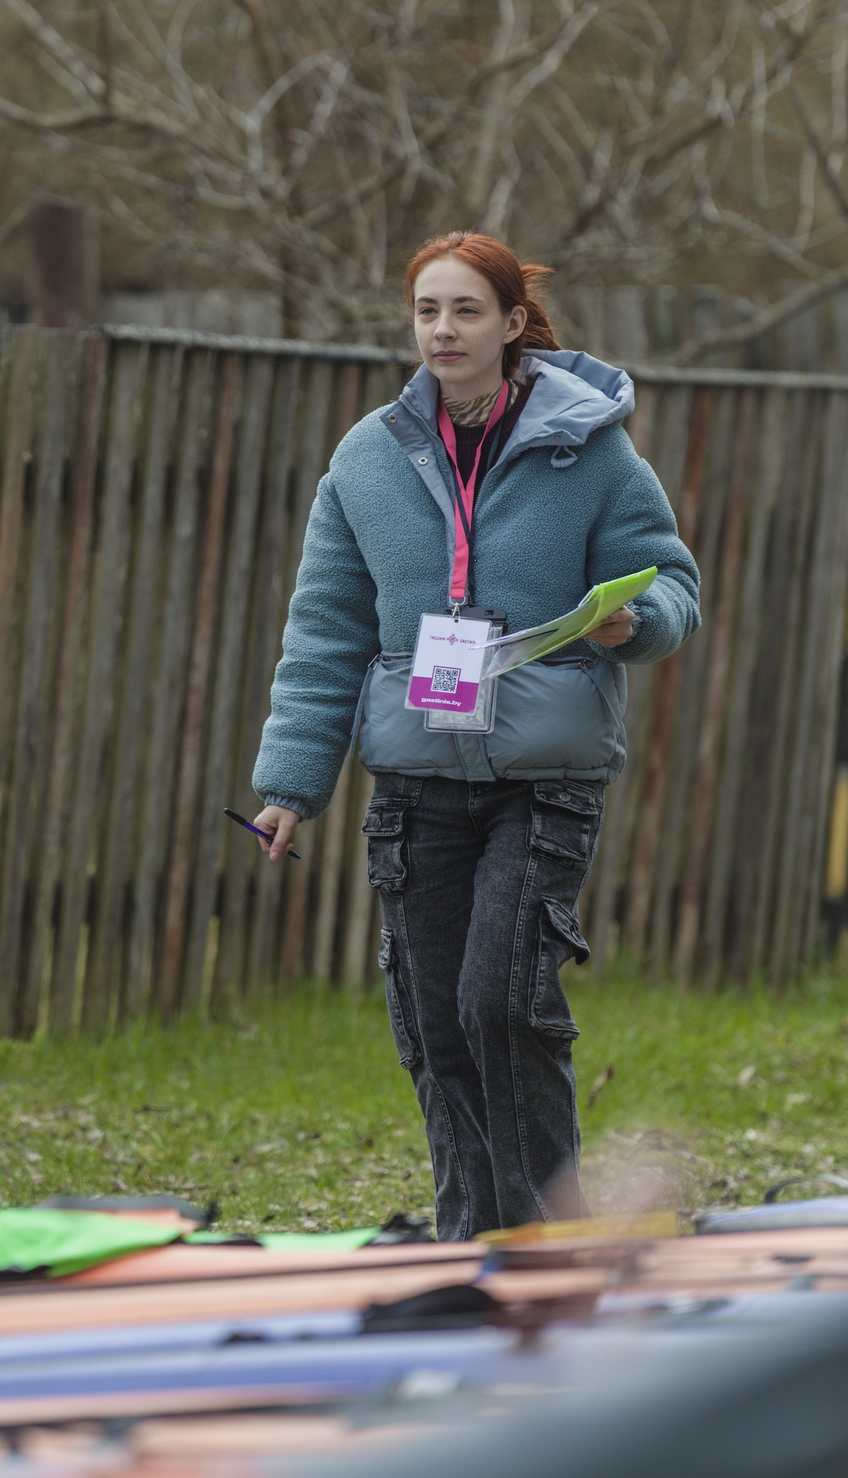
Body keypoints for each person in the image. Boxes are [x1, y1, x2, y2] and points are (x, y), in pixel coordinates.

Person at [246, 233, 701, 1240]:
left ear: (510, 323)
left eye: (464, 310)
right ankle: (472, 1241)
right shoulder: (366, 460)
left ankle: (546, 1236)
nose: (442, 330)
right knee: (435, 1021)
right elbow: (325, 629)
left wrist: (636, 621)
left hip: (543, 778)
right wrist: (290, 785)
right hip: (415, 782)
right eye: (426, 311)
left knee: (501, 1001)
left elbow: (674, 582)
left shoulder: (591, 450)